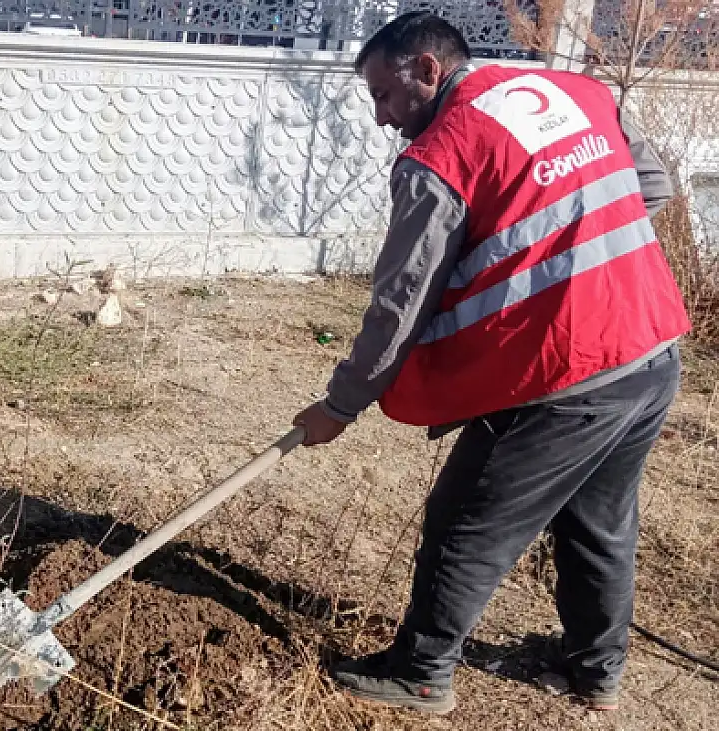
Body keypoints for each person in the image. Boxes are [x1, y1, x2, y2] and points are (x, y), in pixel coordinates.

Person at [290, 11, 690, 716]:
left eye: (385, 95)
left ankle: (419, 670)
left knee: (466, 517)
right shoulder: (574, 93)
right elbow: (650, 186)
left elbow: (400, 305)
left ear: (428, 71)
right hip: (651, 350)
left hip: (568, 372)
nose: (383, 119)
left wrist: (341, 404)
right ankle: (596, 671)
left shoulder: (441, 156)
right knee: (600, 522)